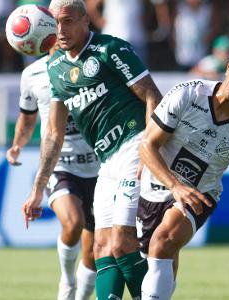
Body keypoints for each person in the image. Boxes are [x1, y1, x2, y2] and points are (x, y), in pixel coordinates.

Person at [21, 1, 163, 299]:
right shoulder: (56, 68)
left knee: (123, 241)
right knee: (100, 247)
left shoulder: (111, 49)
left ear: (87, 20)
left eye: (68, 21)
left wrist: (150, 150)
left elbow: (152, 95)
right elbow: (53, 135)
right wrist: (36, 190)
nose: (61, 30)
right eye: (56, 22)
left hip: (134, 145)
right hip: (106, 161)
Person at [138, 46, 229, 300]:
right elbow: (147, 145)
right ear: (227, 68)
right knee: (149, 258)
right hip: (154, 183)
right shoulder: (189, 94)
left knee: (163, 241)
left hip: (200, 195)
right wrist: (174, 186)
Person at [8, 45, 100, 300]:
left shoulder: (93, 65)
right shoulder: (32, 74)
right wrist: (17, 145)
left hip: (101, 168)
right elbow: (27, 118)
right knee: (73, 222)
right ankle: (67, 281)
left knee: (94, 254)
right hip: (62, 166)